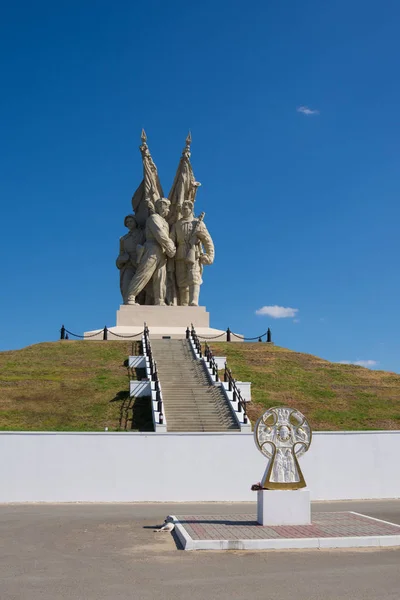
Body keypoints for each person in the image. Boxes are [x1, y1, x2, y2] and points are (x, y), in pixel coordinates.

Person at [126, 198, 176, 305]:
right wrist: (170, 247)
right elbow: (160, 234)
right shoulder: (154, 218)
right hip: (152, 248)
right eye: (166, 206)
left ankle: (160, 300)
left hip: (162, 251)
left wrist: (169, 247)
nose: (168, 209)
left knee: (161, 277)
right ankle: (130, 296)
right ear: (160, 206)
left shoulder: (164, 222)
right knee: (144, 272)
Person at [170, 199, 214, 306]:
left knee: (194, 277)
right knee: (182, 280)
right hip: (180, 254)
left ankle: (194, 301)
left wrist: (209, 255)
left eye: (186, 208)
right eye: (183, 209)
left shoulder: (198, 223)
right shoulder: (177, 225)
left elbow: (207, 240)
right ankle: (184, 303)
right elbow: (171, 239)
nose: (184, 211)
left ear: (191, 209)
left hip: (194, 254)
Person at [116, 215, 145, 304]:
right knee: (126, 284)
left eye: (131, 221)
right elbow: (121, 253)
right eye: (127, 222)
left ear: (135, 222)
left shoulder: (142, 233)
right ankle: (127, 301)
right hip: (128, 264)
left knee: (141, 285)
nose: (129, 223)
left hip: (140, 261)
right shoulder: (124, 238)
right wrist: (120, 260)